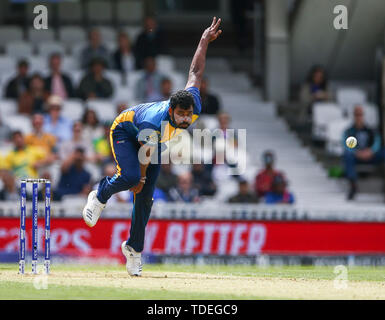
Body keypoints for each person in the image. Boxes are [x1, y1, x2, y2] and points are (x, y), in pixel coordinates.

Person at [82, 17, 222, 276]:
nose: (185, 119)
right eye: (180, 114)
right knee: (134, 177)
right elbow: (144, 154)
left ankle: (133, 250)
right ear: (171, 110)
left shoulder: (193, 103)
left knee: (146, 199)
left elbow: (195, 72)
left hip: (154, 143)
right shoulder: (156, 121)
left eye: (188, 115)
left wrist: (203, 41)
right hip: (126, 130)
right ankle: (100, 194)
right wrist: (141, 177)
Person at [343, 105, 385, 200]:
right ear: (354, 116)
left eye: (360, 114)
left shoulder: (370, 130)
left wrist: (371, 151)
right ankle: (353, 186)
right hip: (356, 157)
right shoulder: (349, 131)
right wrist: (357, 152)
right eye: (356, 114)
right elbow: (346, 145)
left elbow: (377, 143)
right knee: (347, 155)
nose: (359, 117)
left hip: (370, 156)